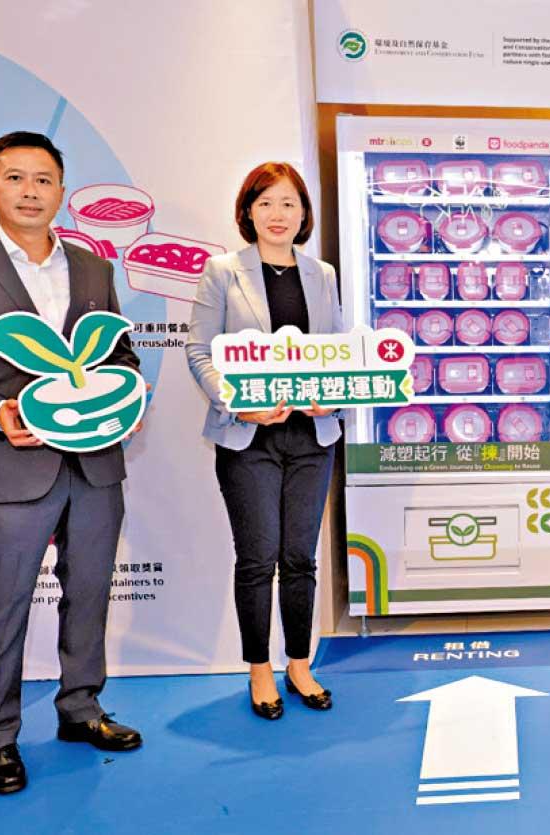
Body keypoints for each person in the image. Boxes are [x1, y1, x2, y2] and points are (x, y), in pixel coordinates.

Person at [0, 132, 144, 795]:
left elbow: (120, 355)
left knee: (90, 592)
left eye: (43, 179)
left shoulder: (93, 267)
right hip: (9, 467)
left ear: (61, 191)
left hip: (96, 464)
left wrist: (126, 396)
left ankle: (81, 708)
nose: (29, 191)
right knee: (4, 605)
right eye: (14, 177)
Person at [186, 162, 342, 719]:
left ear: (303, 214)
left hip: (312, 436)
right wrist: (237, 402)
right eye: (266, 202)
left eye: (289, 203)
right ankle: (259, 669)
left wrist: (333, 397)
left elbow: (337, 350)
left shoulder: (321, 273)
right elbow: (200, 351)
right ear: (248, 211)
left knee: (300, 558)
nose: (278, 214)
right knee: (257, 558)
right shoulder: (222, 272)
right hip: (247, 438)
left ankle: (299, 664)